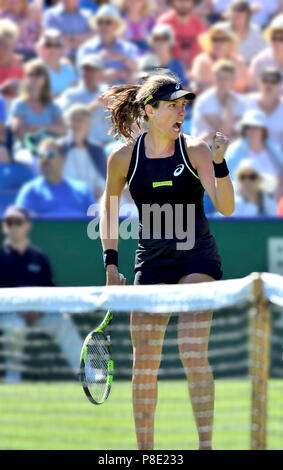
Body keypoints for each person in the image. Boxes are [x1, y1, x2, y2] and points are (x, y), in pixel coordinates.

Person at [100, 73, 234, 450]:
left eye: (183, 105)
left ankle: (204, 447)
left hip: (197, 259)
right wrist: (111, 264)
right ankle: (146, 454)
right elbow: (109, 211)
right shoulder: (124, 158)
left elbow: (226, 207)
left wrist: (221, 164)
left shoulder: (196, 151)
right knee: (145, 365)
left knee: (192, 354)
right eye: (173, 105)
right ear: (150, 110)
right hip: (152, 264)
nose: (181, 111)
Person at [0, 204, 83, 383]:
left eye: (18, 222)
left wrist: (39, 309)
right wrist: (17, 309)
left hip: (40, 314)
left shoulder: (39, 256)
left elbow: (50, 290)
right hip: (8, 315)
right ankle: (13, 378)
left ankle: (87, 374)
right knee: (14, 328)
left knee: (64, 322)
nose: (13, 227)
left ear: (28, 225)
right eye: (8, 222)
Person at [15, 138, 95, 218]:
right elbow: (17, 223)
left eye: (50, 155)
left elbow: (96, 223)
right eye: (40, 155)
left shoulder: (82, 189)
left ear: (63, 159)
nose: (44, 159)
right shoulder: (30, 190)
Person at [57, 54, 113, 148]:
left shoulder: (109, 93)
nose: (89, 73)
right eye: (86, 70)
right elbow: (64, 121)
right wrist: (93, 106)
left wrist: (114, 107)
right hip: (81, 145)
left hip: (107, 144)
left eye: (93, 70)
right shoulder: (71, 95)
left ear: (100, 72)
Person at [225, 109, 283, 199]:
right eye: (248, 127)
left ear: (263, 130)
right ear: (243, 130)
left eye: (255, 126)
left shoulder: (275, 150)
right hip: (240, 202)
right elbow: (225, 181)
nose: (251, 130)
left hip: (273, 202)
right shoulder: (234, 150)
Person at [77, 4, 139, 85]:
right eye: (100, 22)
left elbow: (139, 70)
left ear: (116, 26)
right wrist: (116, 74)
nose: (103, 26)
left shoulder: (129, 48)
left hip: (123, 94)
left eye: (108, 22)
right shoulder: (87, 48)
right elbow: (82, 77)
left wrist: (121, 58)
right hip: (95, 95)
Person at [10, 58, 66, 143]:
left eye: (38, 74)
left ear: (45, 79)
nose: (34, 78)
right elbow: (20, 132)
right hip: (26, 150)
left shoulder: (53, 105)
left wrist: (40, 127)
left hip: (50, 150)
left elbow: (62, 129)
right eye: (30, 74)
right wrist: (51, 129)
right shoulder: (19, 104)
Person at [191, 59, 245, 142]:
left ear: (233, 80)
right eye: (219, 78)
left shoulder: (239, 100)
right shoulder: (205, 100)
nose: (222, 82)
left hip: (229, 148)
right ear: (213, 78)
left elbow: (242, 132)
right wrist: (229, 107)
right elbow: (224, 132)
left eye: (226, 78)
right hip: (204, 149)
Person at [60, 103, 106, 200]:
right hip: (66, 199)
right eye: (73, 120)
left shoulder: (96, 149)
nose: (76, 124)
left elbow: (104, 175)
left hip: (94, 200)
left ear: (88, 125)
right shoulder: (59, 147)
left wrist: (100, 187)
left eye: (80, 120)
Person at [190, 21, 249, 94]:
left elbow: (247, 87)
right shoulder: (202, 61)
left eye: (222, 39)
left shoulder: (239, 61)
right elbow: (199, 87)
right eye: (215, 39)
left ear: (230, 42)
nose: (218, 43)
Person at [157, 0, 206, 70]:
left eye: (187, 1)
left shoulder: (199, 25)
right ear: (172, 2)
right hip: (169, 69)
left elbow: (202, 51)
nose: (184, 3)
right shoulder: (164, 23)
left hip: (194, 71)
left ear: (193, 2)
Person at [245, 67, 283, 150]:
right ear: (259, 82)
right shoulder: (247, 102)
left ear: (280, 84)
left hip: (278, 157)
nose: (269, 84)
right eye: (265, 80)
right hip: (248, 155)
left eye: (274, 81)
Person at [222, 0, 267, 65]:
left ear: (248, 14)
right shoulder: (221, 30)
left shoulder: (255, 31)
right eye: (234, 9)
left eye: (241, 10)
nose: (237, 13)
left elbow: (262, 55)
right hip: (224, 70)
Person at [36, 28, 77, 97]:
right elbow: (38, 97)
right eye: (48, 45)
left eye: (57, 45)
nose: (53, 49)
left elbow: (75, 92)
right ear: (40, 47)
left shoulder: (68, 68)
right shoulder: (36, 68)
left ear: (62, 48)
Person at [249, 13, 283, 94]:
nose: (277, 42)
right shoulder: (259, 61)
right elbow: (252, 90)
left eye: (281, 38)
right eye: (274, 38)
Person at [0, 19, 24, 103]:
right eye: (3, 45)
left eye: (10, 46)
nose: (7, 50)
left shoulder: (19, 62)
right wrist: (2, 89)